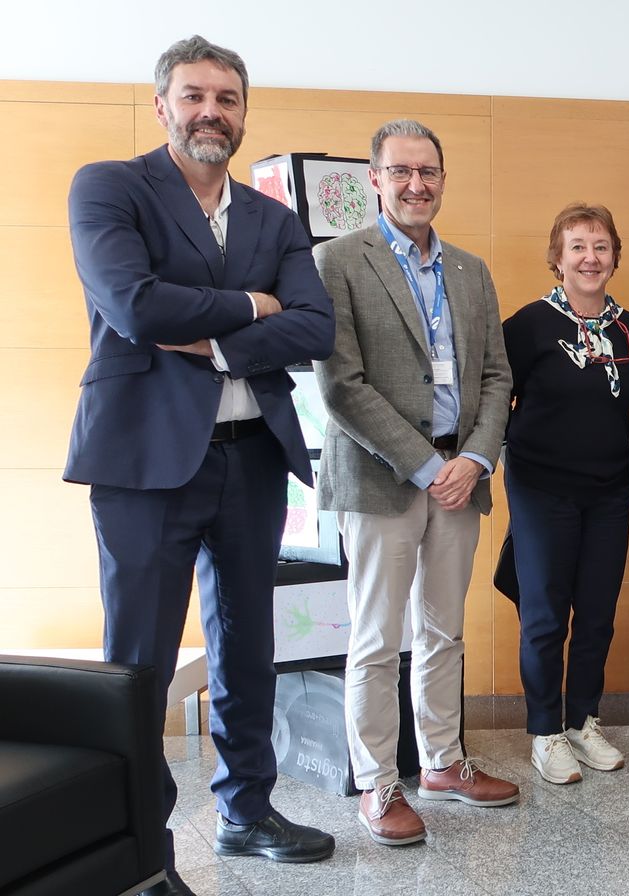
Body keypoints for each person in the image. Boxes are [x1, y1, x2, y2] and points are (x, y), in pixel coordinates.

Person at [64, 35, 336, 895]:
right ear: (162, 105)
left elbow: (316, 327)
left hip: (251, 455)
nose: (210, 111)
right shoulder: (109, 185)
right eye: (193, 96)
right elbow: (134, 305)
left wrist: (212, 341)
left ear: (244, 112)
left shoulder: (275, 220)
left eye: (226, 97)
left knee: (247, 645)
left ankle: (246, 812)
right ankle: (137, 842)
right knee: (138, 661)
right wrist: (253, 310)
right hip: (144, 460)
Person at [314, 119, 518, 847]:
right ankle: (377, 783)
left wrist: (474, 461)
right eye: (400, 171)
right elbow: (341, 385)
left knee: (444, 631)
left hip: (461, 477)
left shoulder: (469, 270)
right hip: (382, 480)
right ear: (374, 179)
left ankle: (444, 762)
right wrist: (430, 467)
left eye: (428, 171)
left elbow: (496, 377)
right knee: (376, 638)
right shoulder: (339, 260)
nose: (416, 184)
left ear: (442, 178)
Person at [501, 203, 629, 785]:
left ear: (614, 256)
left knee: (599, 616)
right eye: (578, 246)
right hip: (541, 489)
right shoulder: (529, 325)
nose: (590, 257)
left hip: (610, 491)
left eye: (601, 246)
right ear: (557, 257)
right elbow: (491, 401)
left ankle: (583, 719)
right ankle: (545, 730)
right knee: (544, 617)